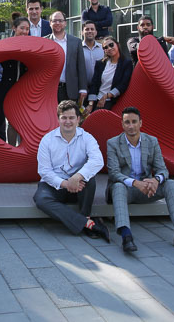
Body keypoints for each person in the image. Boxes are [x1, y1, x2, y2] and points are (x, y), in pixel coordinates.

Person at [106, 107, 174, 253]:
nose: (131, 126)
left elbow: (163, 170)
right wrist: (136, 183)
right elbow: (114, 173)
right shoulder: (113, 143)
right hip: (126, 190)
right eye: (127, 122)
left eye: (134, 122)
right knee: (117, 186)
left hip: (147, 190)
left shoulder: (152, 141)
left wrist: (156, 180)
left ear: (141, 123)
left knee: (170, 183)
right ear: (122, 125)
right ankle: (126, 236)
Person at [34, 100, 110, 241]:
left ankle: (85, 216)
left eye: (71, 118)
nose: (67, 121)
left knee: (90, 179)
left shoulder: (87, 138)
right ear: (58, 119)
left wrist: (77, 176)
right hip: (55, 185)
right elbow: (44, 171)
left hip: (78, 184)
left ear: (78, 119)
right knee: (41, 199)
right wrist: (65, 183)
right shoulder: (47, 140)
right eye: (64, 117)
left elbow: (98, 160)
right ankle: (87, 223)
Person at [46, 11, 87, 105]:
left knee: (69, 118)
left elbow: (81, 66)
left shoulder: (76, 42)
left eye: (60, 21)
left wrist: (83, 88)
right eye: (54, 21)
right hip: (49, 90)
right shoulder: (44, 41)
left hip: (70, 89)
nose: (57, 23)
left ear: (65, 23)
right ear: (50, 23)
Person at [85, 36, 133, 114]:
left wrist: (106, 96)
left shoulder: (126, 63)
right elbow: (94, 84)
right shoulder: (100, 63)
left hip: (112, 100)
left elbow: (123, 85)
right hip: (97, 99)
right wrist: (90, 104)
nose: (109, 48)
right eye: (105, 47)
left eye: (111, 45)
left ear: (117, 44)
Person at [3, 17, 30, 146]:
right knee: (12, 122)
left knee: (25, 122)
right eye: (22, 28)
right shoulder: (6, 44)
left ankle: (24, 150)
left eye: (27, 29)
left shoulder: (31, 45)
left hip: (26, 90)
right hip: (9, 89)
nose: (24, 31)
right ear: (14, 28)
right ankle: (12, 150)